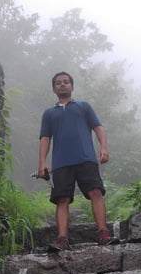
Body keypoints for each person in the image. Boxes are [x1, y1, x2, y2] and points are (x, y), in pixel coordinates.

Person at [38, 71, 117, 251]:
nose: (62, 84)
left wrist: (103, 147)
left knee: (95, 192)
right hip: (61, 163)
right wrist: (42, 162)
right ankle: (62, 239)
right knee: (62, 199)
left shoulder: (83, 107)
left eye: (66, 82)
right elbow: (45, 138)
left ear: (72, 86)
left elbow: (98, 128)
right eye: (58, 83)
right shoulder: (49, 113)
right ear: (54, 89)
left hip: (86, 158)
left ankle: (103, 233)